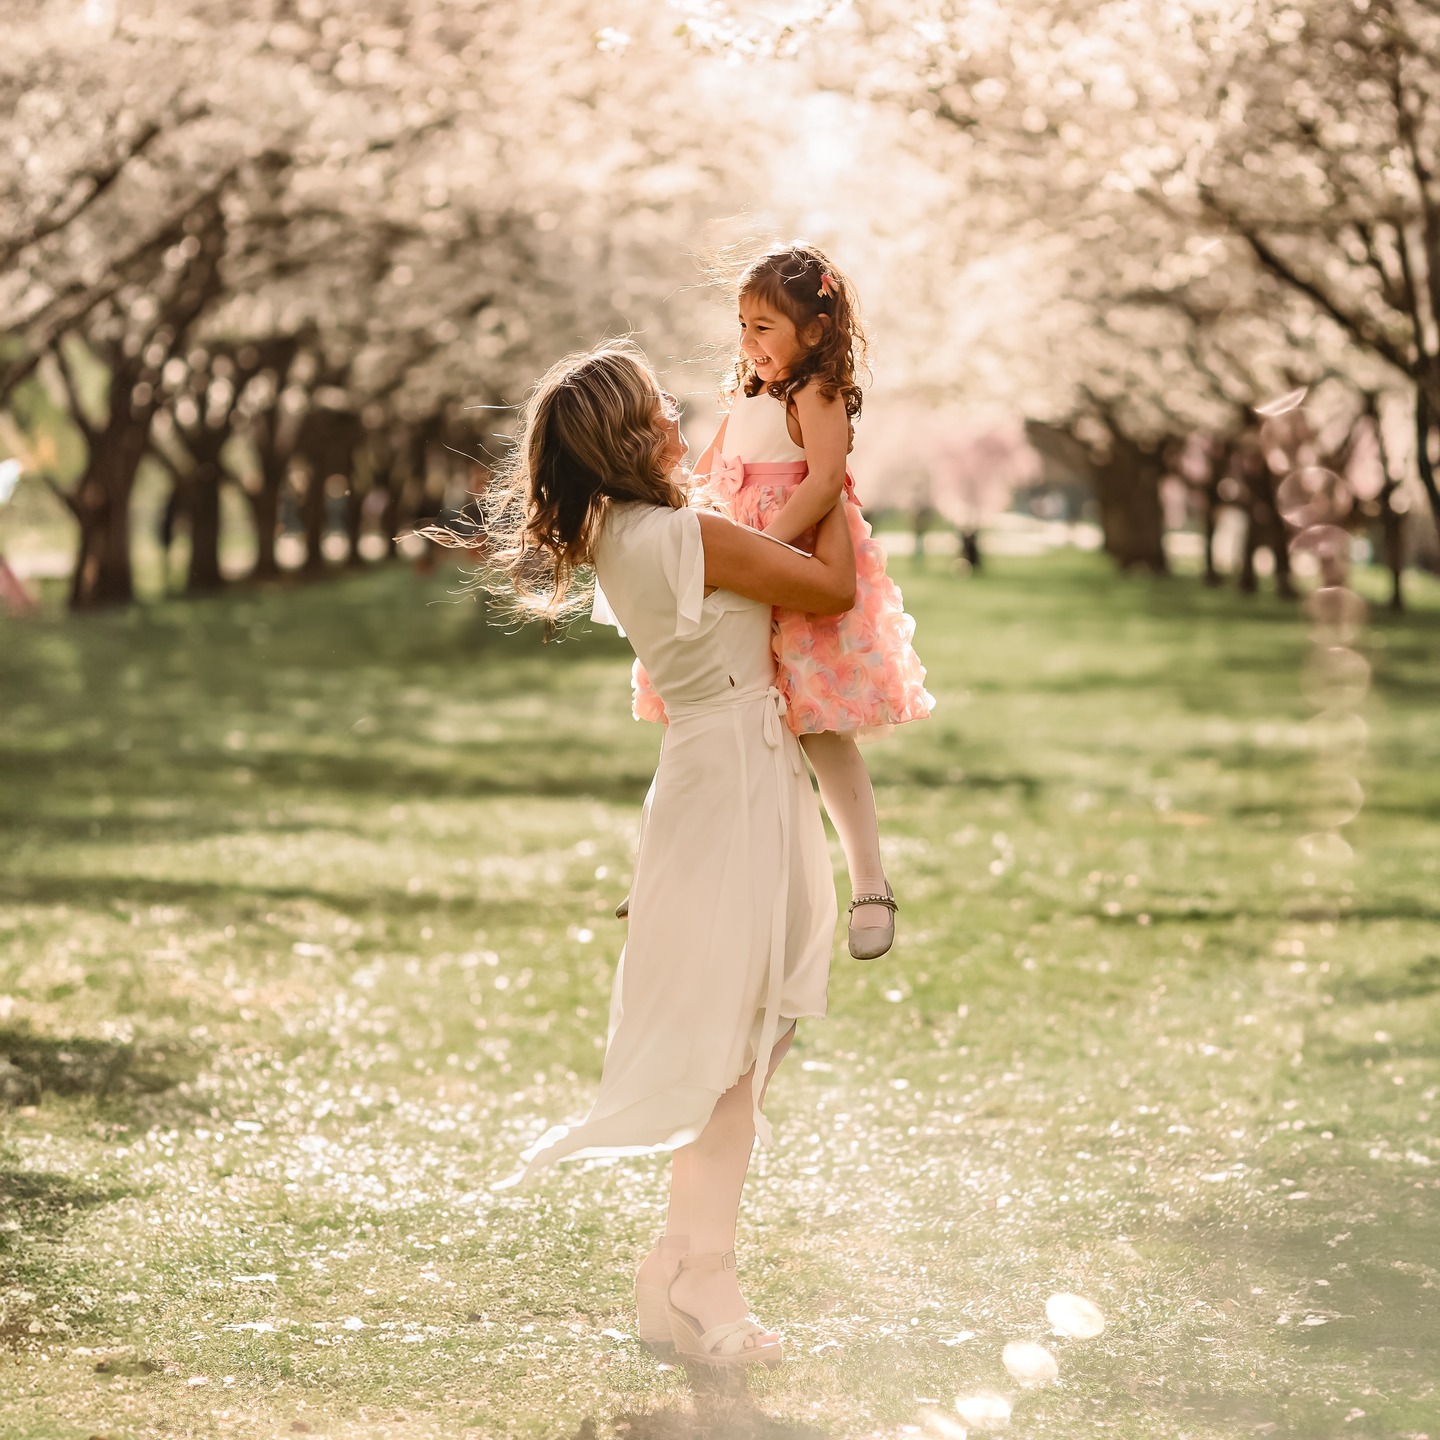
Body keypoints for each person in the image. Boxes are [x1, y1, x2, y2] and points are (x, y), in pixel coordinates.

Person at [482, 342, 857, 1371]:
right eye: (657, 411)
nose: (677, 420)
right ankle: (703, 1276)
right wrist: (829, 477)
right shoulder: (683, 537)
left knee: (743, 1049)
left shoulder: (623, 535)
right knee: (736, 1056)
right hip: (731, 783)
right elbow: (828, 589)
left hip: (725, 777)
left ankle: (681, 1265)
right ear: (626, 436)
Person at [630, 243, 933, 959]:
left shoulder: (815, 396)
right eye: (742, 325)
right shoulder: (749, 398)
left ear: (817, 332)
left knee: (821, 731)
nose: (748, 342)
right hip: (738, 566)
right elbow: (707, 479)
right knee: (711, 714)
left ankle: (869, 883)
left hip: (791, 566)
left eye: (764, 327)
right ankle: (676, 866)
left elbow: (825, 480)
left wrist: (767, 549)